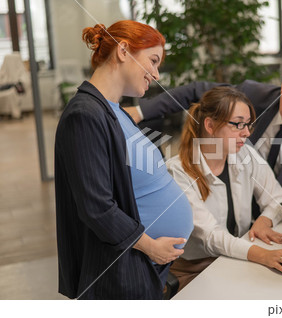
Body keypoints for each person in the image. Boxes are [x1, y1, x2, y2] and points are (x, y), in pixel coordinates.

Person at [54, 20, 193, 300]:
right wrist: (151, 247)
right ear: (123, 51)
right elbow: (97, 208)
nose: (155, 74)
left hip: (140, 267)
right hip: (117, 273)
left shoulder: (114, 111)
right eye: (152, 62)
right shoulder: (85, 115)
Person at [126, 55, 282, 221]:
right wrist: (141, 112)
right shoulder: (252, 96)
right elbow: (195, 91)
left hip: (281, 216)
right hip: (229, 208)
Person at [165, 86, 282, 291]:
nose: (247, 133)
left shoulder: (245, 154)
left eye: (248, 125)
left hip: (235, 259)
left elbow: (277, 198)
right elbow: (212, 237)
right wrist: (263, 255)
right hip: (195, 270)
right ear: (210, 125)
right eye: (238, 124)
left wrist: (265, 220)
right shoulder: (177, 172)